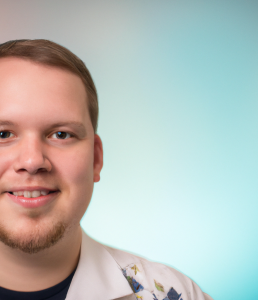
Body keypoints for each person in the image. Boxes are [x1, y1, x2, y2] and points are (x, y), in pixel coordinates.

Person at [0, 39, 213, 300]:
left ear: (96, 159)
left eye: (61, 134)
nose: (32, 161)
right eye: (3, 134)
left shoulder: (176, 294)